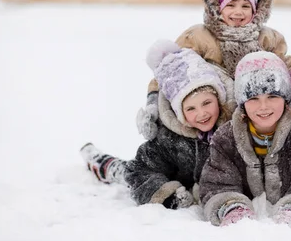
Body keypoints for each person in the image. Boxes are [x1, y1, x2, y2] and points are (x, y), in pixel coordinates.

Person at [136, 0, 291, 141]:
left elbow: (285, 68)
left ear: (256, 9)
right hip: (207, 119)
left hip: (256, 117)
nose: (238, 12)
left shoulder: (267, 38)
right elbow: (170, 71)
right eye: (230, 5)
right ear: (218, 7)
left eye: (245, 6)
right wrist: (153, 102)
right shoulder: (198, 37)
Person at [81, 40, 235, 209]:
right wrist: (167, 195)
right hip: (166, 176)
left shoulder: (230, 130)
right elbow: (139, 171)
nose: (201, 113)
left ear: (219, 99)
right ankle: (102, 162)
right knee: (125, 171)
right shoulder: (169, 139)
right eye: (191, 108)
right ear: (178, 112)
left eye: (207, 103)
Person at [199, 51, 291, 234]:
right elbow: (216, 183)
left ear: (285, 99)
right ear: (242, 103)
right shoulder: (225, 138)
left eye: (272, 96)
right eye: (254, 98)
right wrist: (230, 206)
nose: (263, 107)